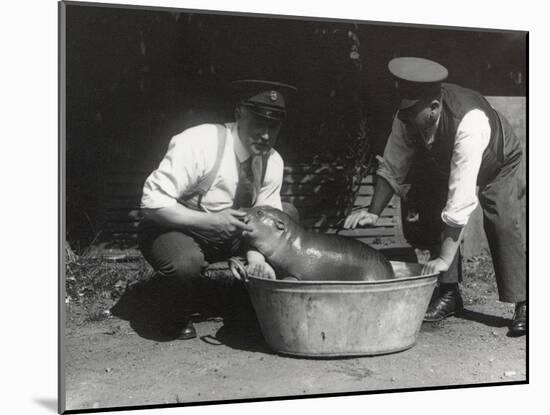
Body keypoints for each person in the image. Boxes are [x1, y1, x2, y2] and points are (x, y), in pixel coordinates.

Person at [344, 57, 526, 336]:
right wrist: (374, 211)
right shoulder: (407, 117)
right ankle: (450, 294)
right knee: (432, 205)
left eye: (413, 117)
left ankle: (524, 303)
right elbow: (393, 165)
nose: (408, 125)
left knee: (501, 219)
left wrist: (444, 256)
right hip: (448, 162)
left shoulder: (469, 122)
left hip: (498, 158)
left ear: (433, 108)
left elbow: (461, 200)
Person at [138, 80, 297, 340]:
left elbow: (265, 221)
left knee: (286, 218)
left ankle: (242, 300)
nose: (266, 135)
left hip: (231, 234)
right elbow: (152, 203)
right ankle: (170, 306)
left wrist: (257, 260)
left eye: (273, 126)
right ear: (238, 114)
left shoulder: (273, 161)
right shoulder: (200, 142)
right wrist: (210, 221)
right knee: (185, 264)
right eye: (258, 123)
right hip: (177, 228)